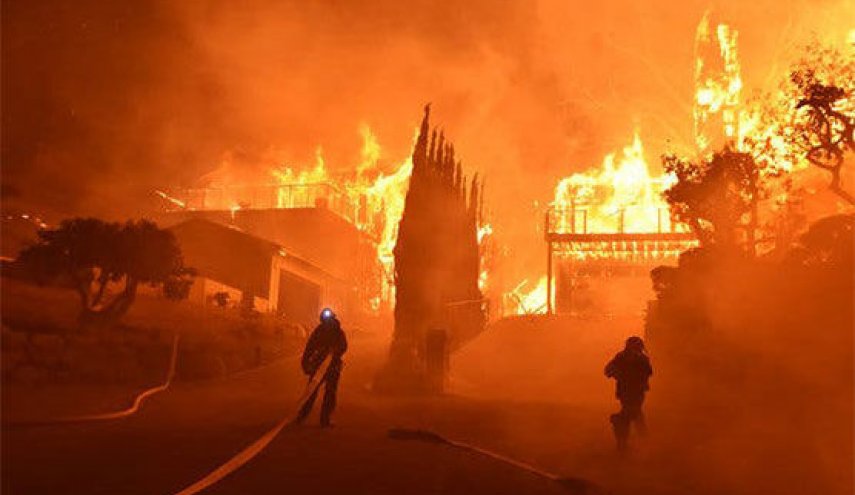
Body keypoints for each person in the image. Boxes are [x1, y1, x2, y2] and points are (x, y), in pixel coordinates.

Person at [297, 308, 348, 427]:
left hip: (332, 367)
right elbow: (310, 347)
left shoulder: (337, 332)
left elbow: (344, 346)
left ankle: (323, 419)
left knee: (328, 394)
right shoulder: (320, 331)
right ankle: (303, 415)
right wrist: (305, 364)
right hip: (319, 367)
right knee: (312, 392)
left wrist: (334, 352)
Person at [604, 336, 653, 451]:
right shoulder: (622, 357)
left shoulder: (641, 359)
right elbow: (608, 370)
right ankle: (627, 439)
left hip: (636, 391)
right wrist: (619, 375)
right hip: (626, 391)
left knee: (634, 412)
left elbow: (648, 372)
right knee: (631, 413)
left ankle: (637, 437)